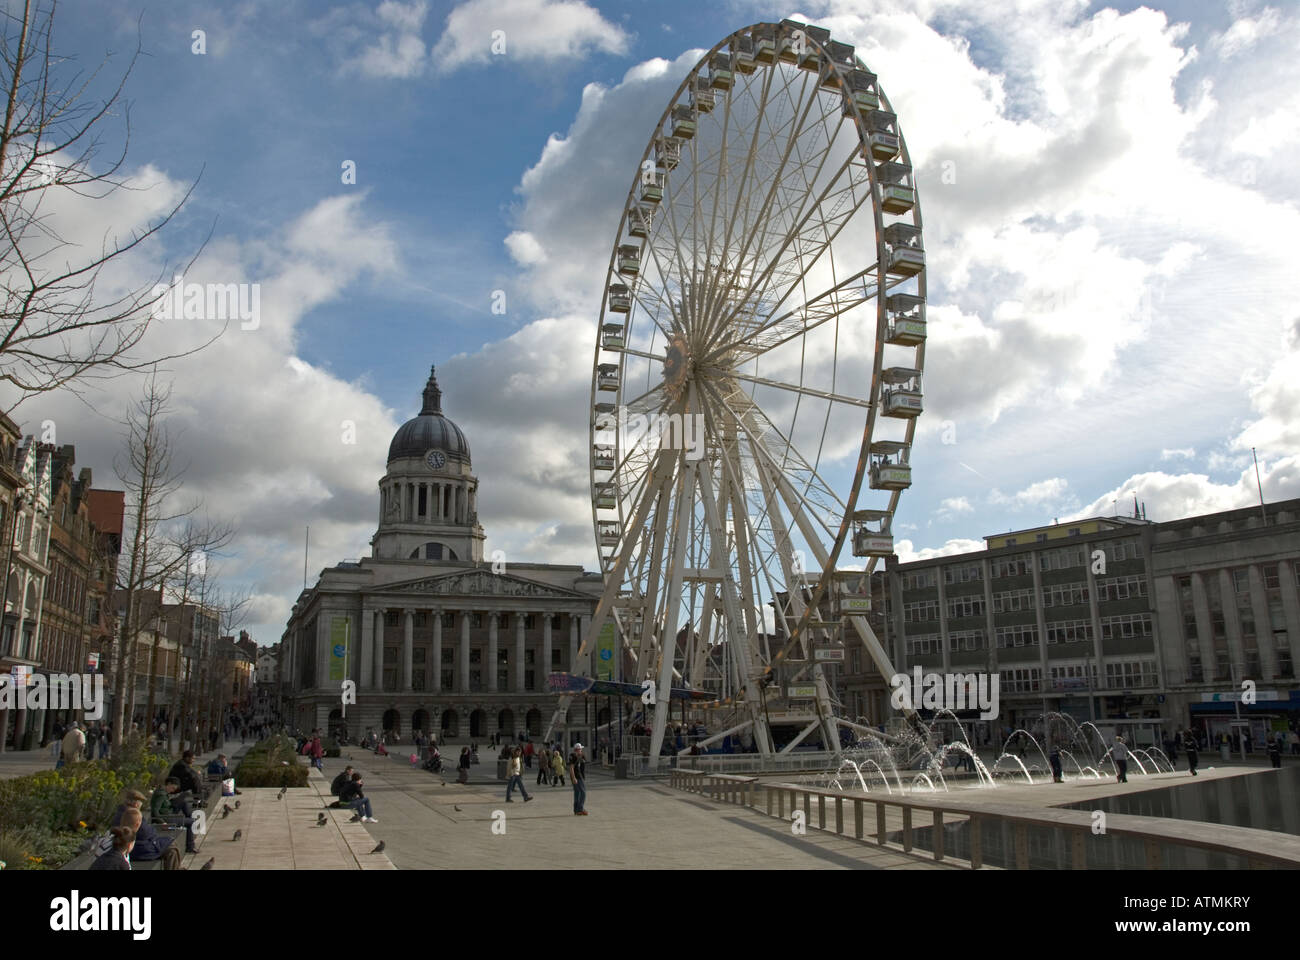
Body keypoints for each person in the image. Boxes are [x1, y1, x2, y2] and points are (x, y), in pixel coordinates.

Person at [113, 795, 182, 868]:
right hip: (140, 849)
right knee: (172, 849)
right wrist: (153, 831)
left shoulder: (120, 813)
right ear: (136, 803)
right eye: (140, 803)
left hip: (135, 846)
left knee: (171, 845)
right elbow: (146, 833)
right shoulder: (133, 815)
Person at [151, 778, 197, 853]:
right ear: (168, 784)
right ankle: (190, 846)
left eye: (174, 789)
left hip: (169, 814)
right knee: (191, 822)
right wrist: (162, 822)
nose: (172, 790)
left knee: (183, 802)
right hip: (166, 818)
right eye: (172, 788)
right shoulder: (161, 795)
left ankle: (189, 825)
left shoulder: (163, 792)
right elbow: (155, 811)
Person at [568, 742, 588, 816]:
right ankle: (580, 808)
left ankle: (576, 810)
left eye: (580, 750)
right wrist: (574, 778)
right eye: (580, 750)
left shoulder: (581, 756)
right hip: (577, 776)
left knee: (577, 793)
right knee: (583, 793)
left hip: (579, 776)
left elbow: (582, 767)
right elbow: (571, 768)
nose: (581, 751)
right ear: (577, 750)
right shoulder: (573, 756)